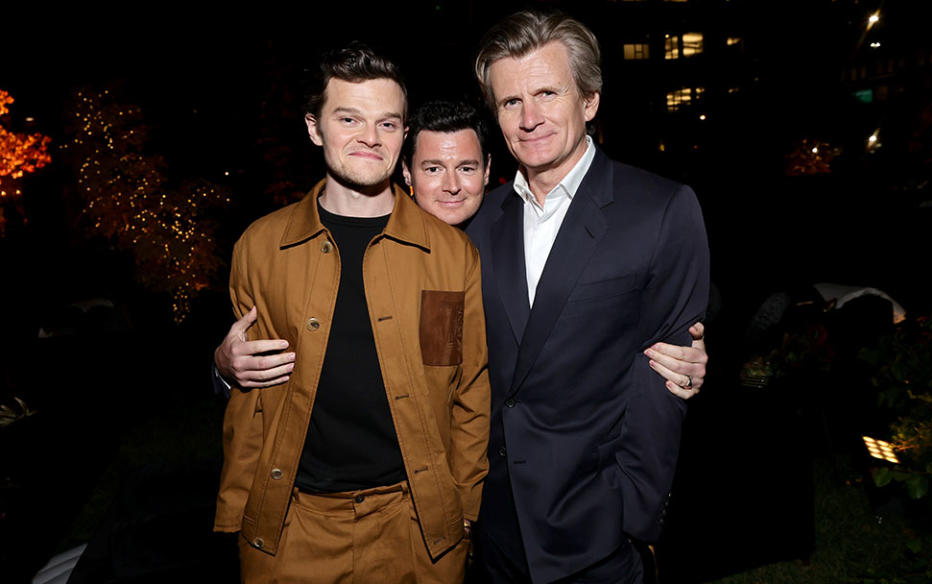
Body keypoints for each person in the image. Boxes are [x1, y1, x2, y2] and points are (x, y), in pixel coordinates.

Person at [213, 44, 489, 583]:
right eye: (350, 118)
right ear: (315, 128)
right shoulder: (261, 247)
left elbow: (462, 389)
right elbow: (248, 403)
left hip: (417, 528)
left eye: (387, 123)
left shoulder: (448, 255)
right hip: (291, 527)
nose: (370, 137)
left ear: (404, 135)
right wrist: (223, 369)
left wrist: (461, 509)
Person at [215, 101, 708, 398]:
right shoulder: (363, 246)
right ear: (405, 174)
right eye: (432, 169)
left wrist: (686, 351)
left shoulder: (519, 225)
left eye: (467, 168)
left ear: (489, 167)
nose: (452, 186)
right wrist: (225, 368)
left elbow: (621, 293)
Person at [465, 11, 710, 583]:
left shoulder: (661, 210)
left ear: (590, 101)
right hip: (492, 527)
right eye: (509, 102)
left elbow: (664, 379)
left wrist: (630, 516)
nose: (529, 119)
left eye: (547, 93)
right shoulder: (479, 221)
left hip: (596, 531)